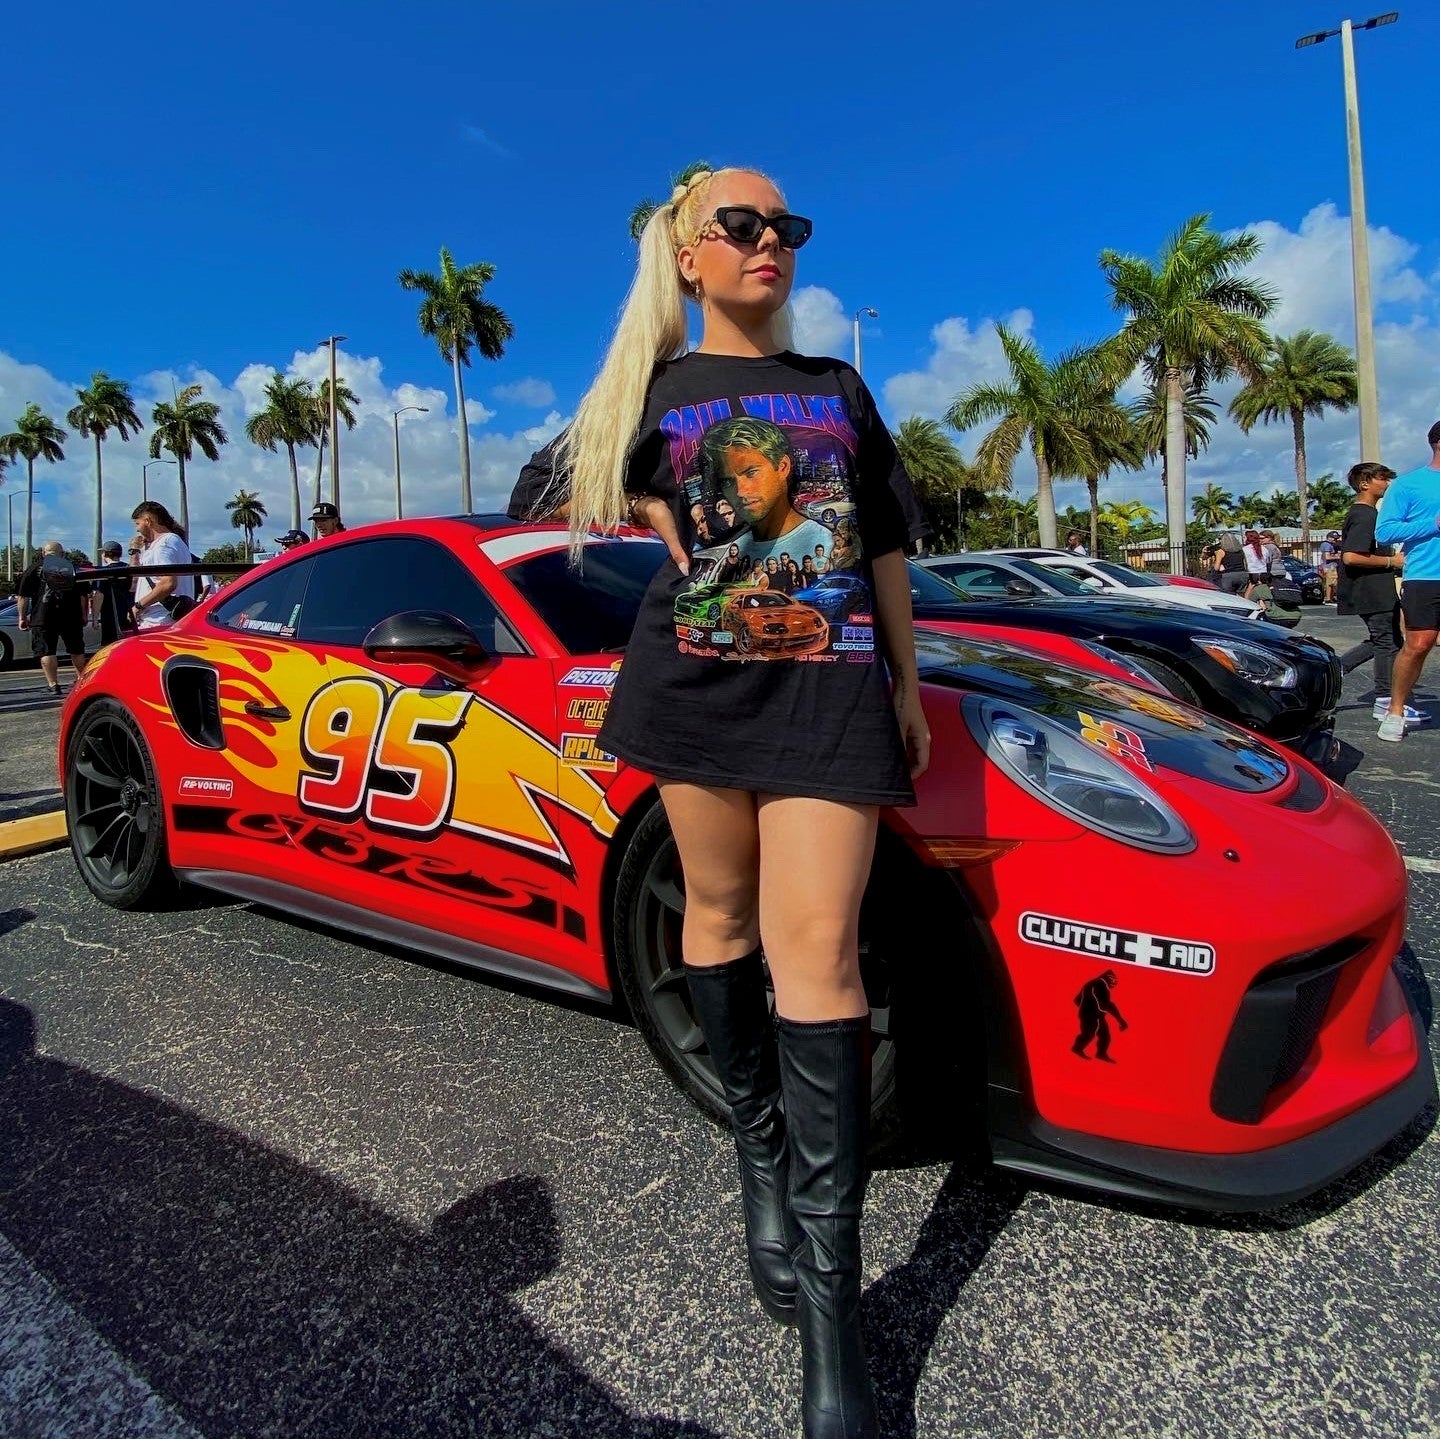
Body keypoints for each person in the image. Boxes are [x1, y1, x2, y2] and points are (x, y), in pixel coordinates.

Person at [559, 165, 928, 1439]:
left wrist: (908, 681)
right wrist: (634, 492)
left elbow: (885, 539)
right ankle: (760, 1151)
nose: (771, 240)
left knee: (819, 956)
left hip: (832, 689)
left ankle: (834, 1324)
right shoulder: (653, 390)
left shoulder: (836, 387)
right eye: (743, 224)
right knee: (714, 918)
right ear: (689, 253)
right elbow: (559, 483)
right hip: (697, 689)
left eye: (787, 226)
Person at [1375, 420, 1440, 742]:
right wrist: (1434, 524)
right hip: (1426, 575)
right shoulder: (1408, 485)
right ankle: (1396, 710)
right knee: (1418, 645)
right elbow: (1385, 532)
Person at [15, 541, 91, 695]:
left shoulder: (34, 568)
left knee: (46, 651)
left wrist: (22, 617)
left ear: (43, 553)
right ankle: (82, 681)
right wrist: (84, 615)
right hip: (71, 616)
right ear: (62, 553)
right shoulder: (73, 568)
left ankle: (53, 685)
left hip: (43, 616)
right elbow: (83, 596)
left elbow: (23, 596)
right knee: (76, 650)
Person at [130, 501, 196, 630]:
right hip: (167, 618)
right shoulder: (173, 542)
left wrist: (138, 606)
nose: (137, 529)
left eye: (138, 524)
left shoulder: (164, 545)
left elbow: (168, 583)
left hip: (158, 620)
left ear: (147, 521)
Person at [92, 539, 134, 647]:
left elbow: (99, 596)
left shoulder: (103, 572)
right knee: (129, 645)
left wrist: (95, 618)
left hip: (110, 616)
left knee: (111, 647)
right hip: (131, 613)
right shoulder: (129, 569)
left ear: (106, 553)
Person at [1319, 530, 1342, 603]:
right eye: (1334, 538)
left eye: (1336, 538)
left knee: (1333, 581)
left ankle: (1331, 597)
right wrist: (1338, 557)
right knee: (1331, 582)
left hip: (1332, 566)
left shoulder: (1332, 545)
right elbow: (1327, 557)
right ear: (1329, 537)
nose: (1336, 539)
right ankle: (1328, 598)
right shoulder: (1327, 545)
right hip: (1330, 566)